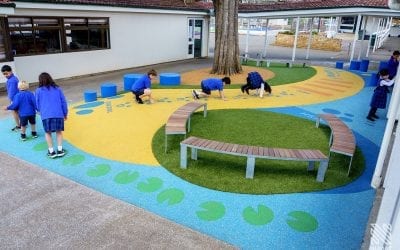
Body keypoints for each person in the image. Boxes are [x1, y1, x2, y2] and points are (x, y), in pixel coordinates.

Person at [35, 72, 68, 158]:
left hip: (46, 115)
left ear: (40, 81)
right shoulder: (58, 89)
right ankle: (60, 150)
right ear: (50, 79)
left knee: (48, 133)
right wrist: (65, 113)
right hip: (58, 114)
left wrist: (41, 110)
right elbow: (63, 102)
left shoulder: (38, 91)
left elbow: (37, 105)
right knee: (59, 132)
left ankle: (51, 151)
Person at [1, 65, 20, 131]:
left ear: (11, 71)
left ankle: (18, 126)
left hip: (14, 99)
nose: (6, 75)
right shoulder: (14, 78)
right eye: (4, 74)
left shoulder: (11, 81)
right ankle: (22, 124)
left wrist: (11, 102)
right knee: (18, 111)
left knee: (15, 112)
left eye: (7, 73)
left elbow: (12, 93)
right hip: (17, 98)